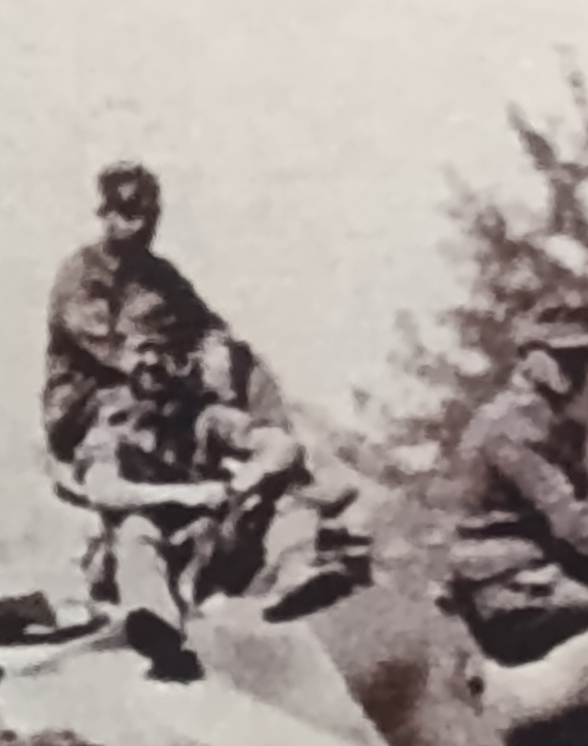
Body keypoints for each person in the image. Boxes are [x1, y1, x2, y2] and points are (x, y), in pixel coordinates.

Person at [71, 308, 354, 680]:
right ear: (125, 364)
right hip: (145, 550)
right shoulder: (109, 429)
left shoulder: (205, 417)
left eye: (162, 353)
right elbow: (103, 489)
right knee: (137, 528)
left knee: (288, 494)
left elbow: (280, 445)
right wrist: (185, 496)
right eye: (142, 352)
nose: (153, 362)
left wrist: (244, 482)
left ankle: (296, 576)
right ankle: (159, 633)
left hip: (209, 544)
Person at [443, 304, 588, 666]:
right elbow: (568, 518)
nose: (578, 369)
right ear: (531, 358)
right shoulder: (511, 422)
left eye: (583, 357)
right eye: (564, 357)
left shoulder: (557, 424)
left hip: (541, 568)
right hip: (505, 580)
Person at [42, 162, 288, 469]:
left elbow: (204, 325)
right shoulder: (82, 275)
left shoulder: (160, 276)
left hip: (160, 391)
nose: (142, 226)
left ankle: (268, 440)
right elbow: (116, 352)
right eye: (130, 214)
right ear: (107, 215)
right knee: (145, 412)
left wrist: (217, 354)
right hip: (91, 404)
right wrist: (165, 370)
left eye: (150, 215)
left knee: (233, 360)